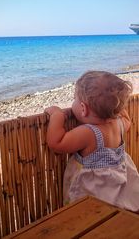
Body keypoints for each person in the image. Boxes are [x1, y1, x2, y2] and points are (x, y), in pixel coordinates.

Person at [45, 70, 139, 212]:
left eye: (75, 99)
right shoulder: (119, 124)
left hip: (95, 195)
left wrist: (57, 115)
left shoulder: (89, 133)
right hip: (116, 189)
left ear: (83, 108)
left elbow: (57, 143)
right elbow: (127, 120)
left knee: (87, 216)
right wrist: (115, 108)